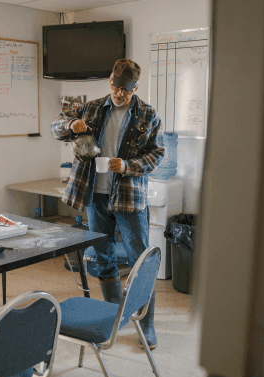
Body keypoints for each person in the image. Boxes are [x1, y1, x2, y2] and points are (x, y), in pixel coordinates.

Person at [51, 59, 165, 349]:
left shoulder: (148, 114)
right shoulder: (91, 108)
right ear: (110, 82)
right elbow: (57, 127)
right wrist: (70, 124)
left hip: (128, 196)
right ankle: (114, 317)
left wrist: (127, 165)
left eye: (125, 90)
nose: (118, 94)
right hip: (94, 195)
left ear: (135, 88)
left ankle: (146, 324)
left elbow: (156, 154)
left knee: (140, 259)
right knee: (102, 257)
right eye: (115, 87)